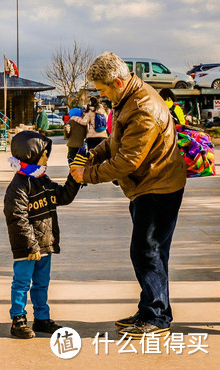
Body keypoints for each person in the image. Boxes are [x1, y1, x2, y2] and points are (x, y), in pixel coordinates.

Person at [70, 52, 186, 339]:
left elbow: (128, 160)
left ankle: (156, 317)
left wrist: (88, 175)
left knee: (147, 251)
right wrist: (92, 156)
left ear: (118, 82)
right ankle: (152, 308)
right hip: (148, 185)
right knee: (152, 253)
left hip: (158, 187)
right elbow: (116, 141)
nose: (102, 94)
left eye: (103, 89)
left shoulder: (143, 108)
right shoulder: (128, 99)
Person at [4, 130, 81, 339]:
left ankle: (42, 318)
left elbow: (63, 197)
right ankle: (18, 319)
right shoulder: (18, 186)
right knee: (21, 283)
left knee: (41, 284)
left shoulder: (42, 180)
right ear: (31, 155)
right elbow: (16, 217)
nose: (47, 158)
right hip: (27, 247)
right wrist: (31, 245)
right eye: (44, 154)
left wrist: (75, 176)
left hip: (44, 244)